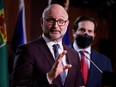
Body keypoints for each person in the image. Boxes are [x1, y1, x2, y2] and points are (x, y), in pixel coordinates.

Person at [11, 4, 84, 87]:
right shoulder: (27, 50)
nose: (56, 26)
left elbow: (79, 84)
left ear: (67, 24)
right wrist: (48, 77)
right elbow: (19, 85)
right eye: (51, 20)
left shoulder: (73, 54)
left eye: (61, 21)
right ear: (42, 22)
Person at [70, 15, 113, 87]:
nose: (86, 34)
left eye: (89, 31)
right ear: (74, 32)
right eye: (82, 30)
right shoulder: (61, 54)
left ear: (94, 35)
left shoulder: (105, 61)